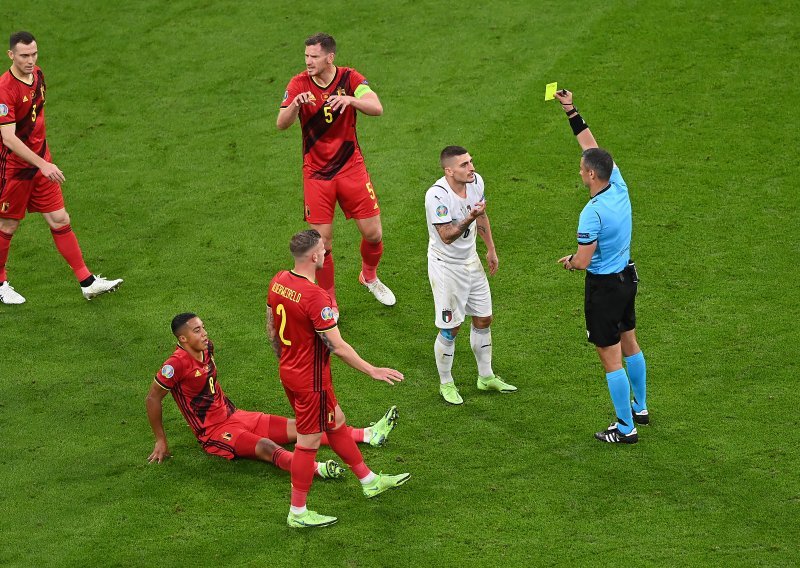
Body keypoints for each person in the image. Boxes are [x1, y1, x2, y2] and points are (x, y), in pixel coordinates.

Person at [267, 229, 410, 528]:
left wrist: (285, 358)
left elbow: (271, 326)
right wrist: (373, 370)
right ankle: (298, 511)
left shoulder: (279, 280)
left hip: (290, 371)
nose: (326, 253)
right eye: (323, 249)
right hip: (311, 381)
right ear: (314, 255)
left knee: (337, 422)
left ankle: (368, 480)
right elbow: (338, 346)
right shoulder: (315, 297)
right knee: (307, 444)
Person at [146, 312, 401, 478]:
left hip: (236, 416)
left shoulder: (206, 348)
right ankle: (319, 469)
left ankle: (368, 435)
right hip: (213, 432)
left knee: (303, 427)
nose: (204, 333)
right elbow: (153, 398)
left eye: (203, 327)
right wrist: (160, 439)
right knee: (268, 448)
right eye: (197, 330)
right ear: (182, 338)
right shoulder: (175, 365)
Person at [552, 89, 648, 444]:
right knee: (631, 343)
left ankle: (626, 428)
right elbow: (590, 147)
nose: (579, 171)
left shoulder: (591, 213)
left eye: (582, 169)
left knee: (610, 358)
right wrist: (571, 111)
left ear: (592, 175)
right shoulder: (618, 184)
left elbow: (583, 260)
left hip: (604, 288)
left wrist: (570, 263)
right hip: (627, 279)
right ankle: (641, 407)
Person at [276, 33, 395, 318]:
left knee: (374, 234)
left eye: (314, 57)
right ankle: (329, 299)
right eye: (306, 56)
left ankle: (369, 276)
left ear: (330, 57)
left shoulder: (350, 78)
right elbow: (281, 123)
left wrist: (352, 101)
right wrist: (295, 105)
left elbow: (376, 107)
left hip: (351, 168)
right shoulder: (298, 84)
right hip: (317, 176)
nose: (308, 62)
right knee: (323, 243)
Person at [0, 31, 121, 304]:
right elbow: (7, 138)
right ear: (11, 55)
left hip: (42, 163)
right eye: (24, 55)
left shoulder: (38, 76)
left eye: (34, 54)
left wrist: (43, 158)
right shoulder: (4, 90)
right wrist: (42, 163)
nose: (30, 60)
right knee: (7, 226)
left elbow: (35, 119)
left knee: (60, 219)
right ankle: (0, 282)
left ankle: (87, 282)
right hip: (15, 170)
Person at [424, 146, 517, 405]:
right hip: (447, 267)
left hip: (470, 261)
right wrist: (469, 217)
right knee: (451, 327)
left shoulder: (476, 183)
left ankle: (485, 377)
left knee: (484, 317)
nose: (471, 168)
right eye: (464, 164)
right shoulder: (437, 196)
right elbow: (447, 236)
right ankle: (446, 383)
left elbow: (483, 214)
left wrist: (491, 250)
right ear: (449, 170)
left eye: (471, 162)